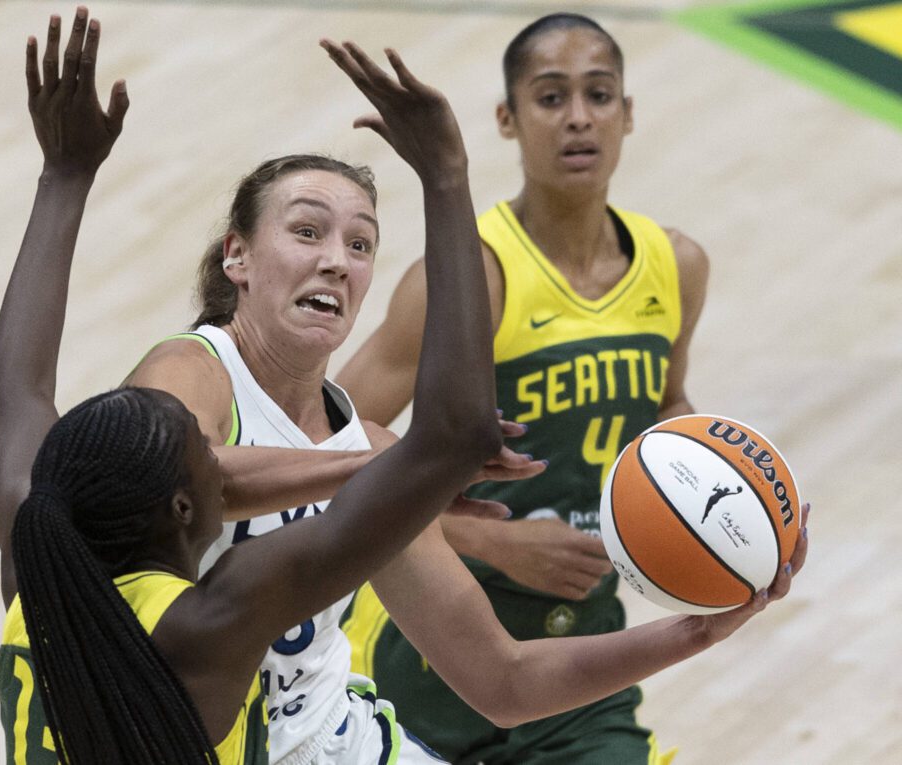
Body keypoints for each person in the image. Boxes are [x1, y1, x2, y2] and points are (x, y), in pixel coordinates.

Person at [124, 14, 810, 765]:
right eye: (307, 232)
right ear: (238, 256)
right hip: (366, 680)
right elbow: (197, 474)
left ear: (629, 111)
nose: (335, 262)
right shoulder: (202, 369)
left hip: (546, 635)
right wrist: (438, 495)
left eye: (359, 244)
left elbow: (506, 676)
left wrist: (704, 581)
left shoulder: (673, 266)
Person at [0, 8, 507, 763]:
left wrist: (65, 175)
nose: (230, 463)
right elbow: (457, 432)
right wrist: (447, 175)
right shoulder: (210, 625)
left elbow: (20, 390)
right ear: (187, 508)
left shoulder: (30, 559)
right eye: (211, 460)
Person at [335, 12, 790, 764]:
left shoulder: (675, 266)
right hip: (434, 641)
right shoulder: (469, 277)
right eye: (551, 98)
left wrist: (722, 494)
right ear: (508, 120)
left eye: (599, 94)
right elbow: (324, 440)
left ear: (628, 113)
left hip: (585, 651)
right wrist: (494, 539)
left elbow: (667, 403)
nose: (578, 117)